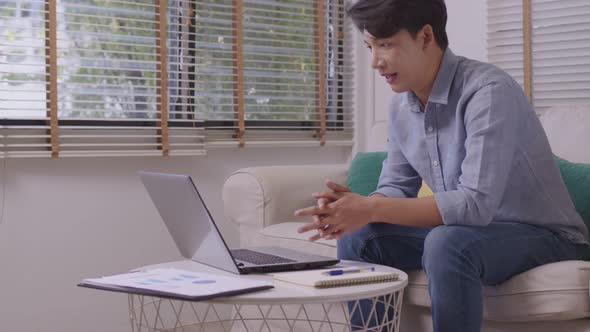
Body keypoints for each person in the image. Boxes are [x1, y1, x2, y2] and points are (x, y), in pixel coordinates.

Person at [293, 0, 590, 331]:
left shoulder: (488, 91)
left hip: (543, 235)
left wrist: (371, 208)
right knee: (359, 237)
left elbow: (474, 204)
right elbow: (395, 188)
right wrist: (354, 209)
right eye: (370, 46)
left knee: (447, 242)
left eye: (386, 44)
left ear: (424, 37)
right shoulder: (400, 108)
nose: (376, 61)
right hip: (472, 232)